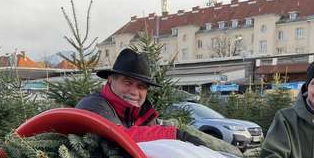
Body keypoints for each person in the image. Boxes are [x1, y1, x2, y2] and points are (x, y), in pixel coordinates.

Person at [76, 48, 212, 146]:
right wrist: (176, 135)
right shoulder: (93, 106)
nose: (134, 92)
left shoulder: (143, 113)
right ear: (111, 80)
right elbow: (120, 137)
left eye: (141, 86)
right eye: (128, 82)